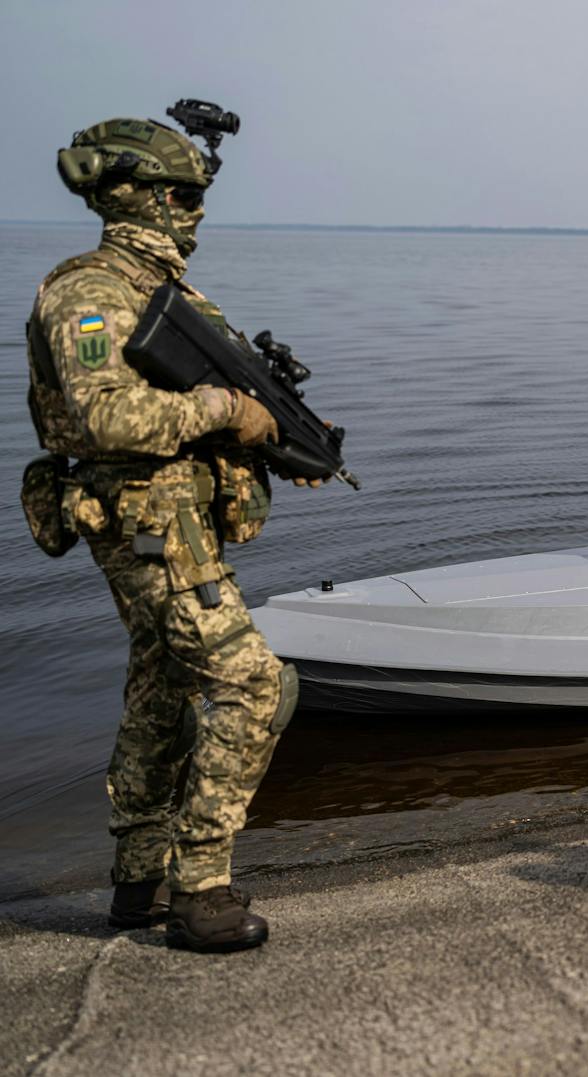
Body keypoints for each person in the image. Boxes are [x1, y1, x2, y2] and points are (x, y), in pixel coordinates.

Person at [24, 107, 319, 953]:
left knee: (159, 699)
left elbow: (207, 414)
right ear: (136, 196)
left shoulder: (167, 296)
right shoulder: (88, 292)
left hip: (181, 523)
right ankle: (201, 887)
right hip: (146, 528)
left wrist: (272, 439)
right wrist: (230, 408)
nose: (193, 210)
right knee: (256, 685)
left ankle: (137, 882)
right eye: (179, 193)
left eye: (195, 193)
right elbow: (107, 419)